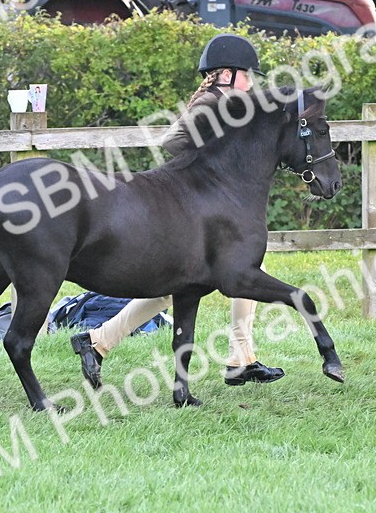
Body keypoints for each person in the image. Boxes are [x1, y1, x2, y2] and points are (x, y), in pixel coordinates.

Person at [70, 33, 284, 390]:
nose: (252, 82)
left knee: (187, 285)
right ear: (227, 74)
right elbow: (173, 141)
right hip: (192, 204)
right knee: (211, 278)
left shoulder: (228, 104)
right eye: (248, 75)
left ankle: (100, 342)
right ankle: (239, 357)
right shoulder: (211, 104)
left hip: (210, 205)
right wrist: (208, 155)